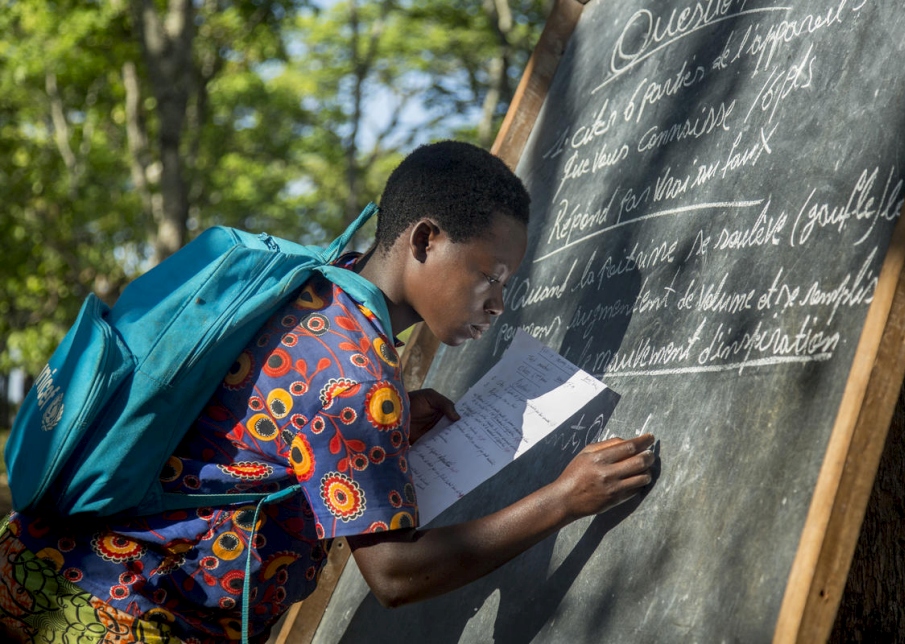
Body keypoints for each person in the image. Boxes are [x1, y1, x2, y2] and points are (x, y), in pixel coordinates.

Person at [0, 141, 656, 643]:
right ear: (425, 240)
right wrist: (566, 499)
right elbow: (395, 573)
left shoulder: (314, 282)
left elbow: (257, 428)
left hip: (36, 568)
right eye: (491, 275)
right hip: (117, 616)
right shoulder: (355, 375)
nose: (498, 303)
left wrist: (388, 427)